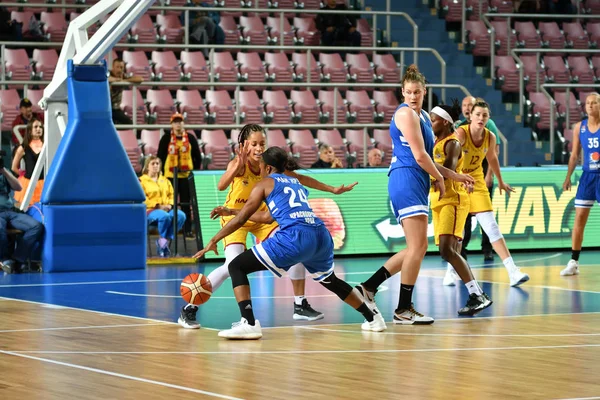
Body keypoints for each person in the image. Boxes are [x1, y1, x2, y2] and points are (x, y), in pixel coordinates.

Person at [193, 146, 386, 339]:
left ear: (267, 168)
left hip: (294, 237)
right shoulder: (293, 181)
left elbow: (243, 219)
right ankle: (372, 318)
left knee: (236, 266)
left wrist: (213, 240)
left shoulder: (264, 183)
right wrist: (232, 211)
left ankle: (249, 323)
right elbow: (268, 217)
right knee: (331, 281)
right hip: (320, 234)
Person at [178, 124, 358, 329]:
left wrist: (332, 189)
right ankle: (190, 308)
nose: (258, 148)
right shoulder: (238, 163)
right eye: (253, 144)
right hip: (235, 219)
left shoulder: (269, 165)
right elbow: (221, 185)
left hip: (261, 218)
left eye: (262, 143)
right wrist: (237, 166)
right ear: (244, 144)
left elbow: (301, 178)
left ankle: (300, 305)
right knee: (232, 265)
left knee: (296, 249)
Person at [353, 65, 474, 325]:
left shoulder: (421, 119)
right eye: (408, 92)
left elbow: (427, 158)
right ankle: (403, 308)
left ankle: (369, 287)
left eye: (417, 92)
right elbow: (419, 157)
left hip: (414, 180)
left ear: (424, 92)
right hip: (406, 178)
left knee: (414, 248)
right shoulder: (406, 114)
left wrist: (455, 176)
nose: (412, 96)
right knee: (419, 247)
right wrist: (440, 177)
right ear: (402, 92)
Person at [448, 100, 529, 287]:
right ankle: (451, 271)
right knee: (458, 232)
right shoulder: (461, 133)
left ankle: (512, 271)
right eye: (478, 114)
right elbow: (451, 159)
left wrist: (500, 181)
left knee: (491, 226)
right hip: (458, 180)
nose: (481, 118)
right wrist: (460, 178)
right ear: (471, 116)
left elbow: (492, 158)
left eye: (484, 115)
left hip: (476, 182)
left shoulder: (490, 136)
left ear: (488, 118)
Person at [430, 103, 492, 315]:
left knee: (448, 250)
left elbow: (446, 169)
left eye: (433, 120)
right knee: (448, 251)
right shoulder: (434, 142)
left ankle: (477, 294)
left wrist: (422, 166)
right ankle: (476, 294)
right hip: (438, 200)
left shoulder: (452, 144)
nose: (430, 123)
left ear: (445, 122)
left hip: (453, 199)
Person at [455, 96, 501, 262]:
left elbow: (494, 155)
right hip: (462, 179)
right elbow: (451, 156)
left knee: (486, 219)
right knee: (463, 220)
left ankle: (488, 250)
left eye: (470, 105)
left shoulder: (489, 128)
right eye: (464, 105)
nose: (467, 108)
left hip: (481, 177)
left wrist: (492, 176)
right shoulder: (460, 128)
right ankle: (460, 253)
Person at [561, 93, 600, 276]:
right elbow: (574, 154)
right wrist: (568, 176)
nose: (591, 106)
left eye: (595, 103)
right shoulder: (579, 127)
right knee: (579, 220)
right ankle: (573, 262)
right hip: (587, 176)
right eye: (588, 103)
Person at [157, 113, 202, 237]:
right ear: (171, 124)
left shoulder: (191, 138)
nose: (178, 124)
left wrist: (194, 173)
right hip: (169, 176)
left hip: (186, 176)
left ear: (183, 123)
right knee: (169, 202)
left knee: (186, 203)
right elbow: (160, 155)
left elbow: (197, 157)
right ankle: (171, 229)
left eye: (180, 121)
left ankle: (187, 230)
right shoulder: (166, 138)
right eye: (175, 122)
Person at [0, 158, 44, 274]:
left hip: (11, 211)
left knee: (36, 226)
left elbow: (18, 187)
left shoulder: (4, 173)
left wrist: (3, 171)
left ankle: (18, 258)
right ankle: (5, 259)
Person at [139, 155, 186, 257]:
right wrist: (157, 206)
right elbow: (142, 198)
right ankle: (163, 244)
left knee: (181, 215)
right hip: (150, 210)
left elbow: (171, 194)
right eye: (153, 164)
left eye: (157, 163)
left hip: (166, 208)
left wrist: (169, 204)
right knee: (165, 217)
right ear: (147, 166)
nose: (156, 165)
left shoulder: (165, 180)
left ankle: (163, 241)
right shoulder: (141, 181)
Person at [11, 118, 44, 207]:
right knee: (28, 209)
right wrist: (23, 175)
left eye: (40, 127)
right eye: (36, 127)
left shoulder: (47, 145)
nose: (39, 129)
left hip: (45, 182)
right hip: (29, 184)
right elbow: (13, 167)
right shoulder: (23, 147)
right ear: (29, 131)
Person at [108, 58, 143, 126]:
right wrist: (117, 80)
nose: (119, 70)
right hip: (105, 108)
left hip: (116, 109)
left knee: (129, 123)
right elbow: (107, 78)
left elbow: (140, 79)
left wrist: (124, 81)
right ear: (113, 67)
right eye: (117, 67)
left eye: (121, 67)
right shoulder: (108, 73)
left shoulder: (123, 76)